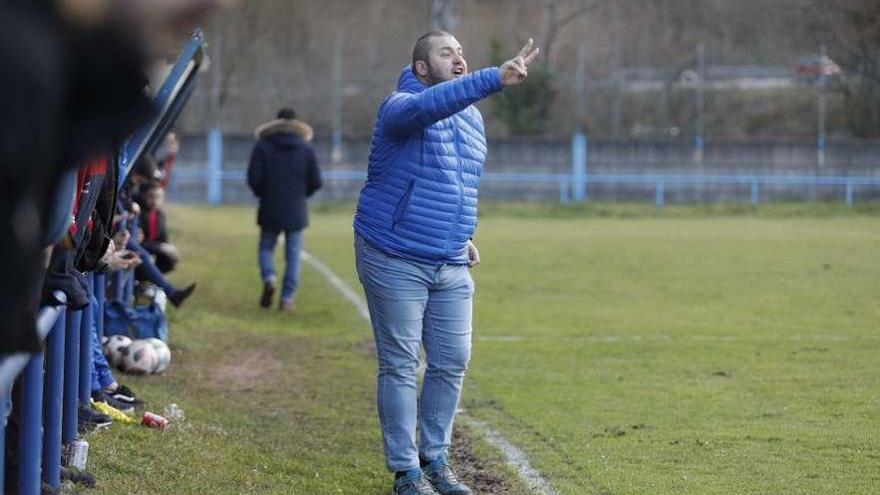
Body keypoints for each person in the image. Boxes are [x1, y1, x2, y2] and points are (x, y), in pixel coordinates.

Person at [352, 32, 539, 495]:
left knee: (452, 360)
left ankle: (434, 460)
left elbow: (461, 185)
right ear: (421, 68)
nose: (458, 58)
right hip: (393, 252)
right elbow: (431, 108)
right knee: (399, 364)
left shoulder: (473, 121)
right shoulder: (401, 106)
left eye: (461, 52)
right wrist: (493, 78)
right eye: (445, 52)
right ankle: (406, 473)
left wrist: (466, 234)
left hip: (451, 258)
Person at [247, 107, 322, 312]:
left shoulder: (262, 146)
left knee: (266, 248)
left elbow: (253, 178)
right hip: (296, 208)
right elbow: (316, 181)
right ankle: (287, 298)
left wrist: (264, 194)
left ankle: (269, 277)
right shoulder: (306, 149)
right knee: (293, 255)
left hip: (269, 206)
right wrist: (300, 195)